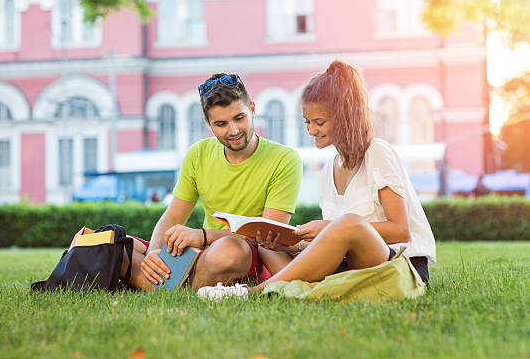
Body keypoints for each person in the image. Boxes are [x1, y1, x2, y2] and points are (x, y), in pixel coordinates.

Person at [197, 60, 436, 299]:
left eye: (319, 122)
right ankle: (306, 289)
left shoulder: (377, 153)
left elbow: (400, 230)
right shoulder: (328, 170)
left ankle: (254, 292)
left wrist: (330, 227)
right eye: (307, 122)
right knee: (267, 248)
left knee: (348, 222)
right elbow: (335, 243)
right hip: (350, 265)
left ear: (344, 117)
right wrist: (292, 244)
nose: (311, 130)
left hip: (396, 264)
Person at [121, 73, 303, 291]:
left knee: (229, 252)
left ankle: (156, 283)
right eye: (221, 123)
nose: (233, 131)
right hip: (202, 255)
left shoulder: (284, 159)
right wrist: (153, 255)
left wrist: (203, 236)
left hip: (241, 254)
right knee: (118, 244)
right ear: (208, 123)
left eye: (239, 118)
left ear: (252, 110)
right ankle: (177, 281)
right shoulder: (198, 153)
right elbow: (173, 215)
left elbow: (267, 238)